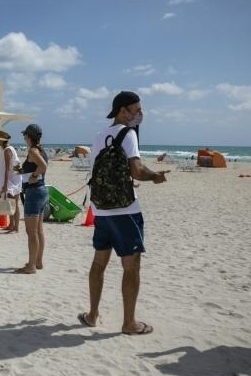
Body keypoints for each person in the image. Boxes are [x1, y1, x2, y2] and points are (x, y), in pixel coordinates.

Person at [78, 91, 169, 334]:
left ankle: (92, 314)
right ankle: (129, 323)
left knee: (99, 263)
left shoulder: (99, 136)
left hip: (101, 209)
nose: (140, 114)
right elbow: (137, 170)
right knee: (131, 266)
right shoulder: (128, 134)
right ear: (122, 111)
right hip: (125, 211)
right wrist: (155, 177)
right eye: (136, 110)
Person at [14, 124, 48, 273]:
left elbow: (43, 166)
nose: (24, 138)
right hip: (41, 191)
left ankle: (31, 265)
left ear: (29, 136)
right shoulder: (41, 150)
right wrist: (22, 170)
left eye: (25, 135)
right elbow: (36, 167)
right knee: (38, 230)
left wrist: (34, 176)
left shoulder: (33, 150)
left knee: (31, 231)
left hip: (34, 193)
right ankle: (38, 262)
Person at [0, 130, 22, 233]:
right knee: (10, 204)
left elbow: (8, 168)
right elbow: (8, 166)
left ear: (1, 140)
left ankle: (15, 227)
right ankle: (11, 225)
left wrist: (5, 184)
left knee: (14, 204)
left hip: (12, 180)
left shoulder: (7, 150)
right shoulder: (8, 149)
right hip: (13, 179)